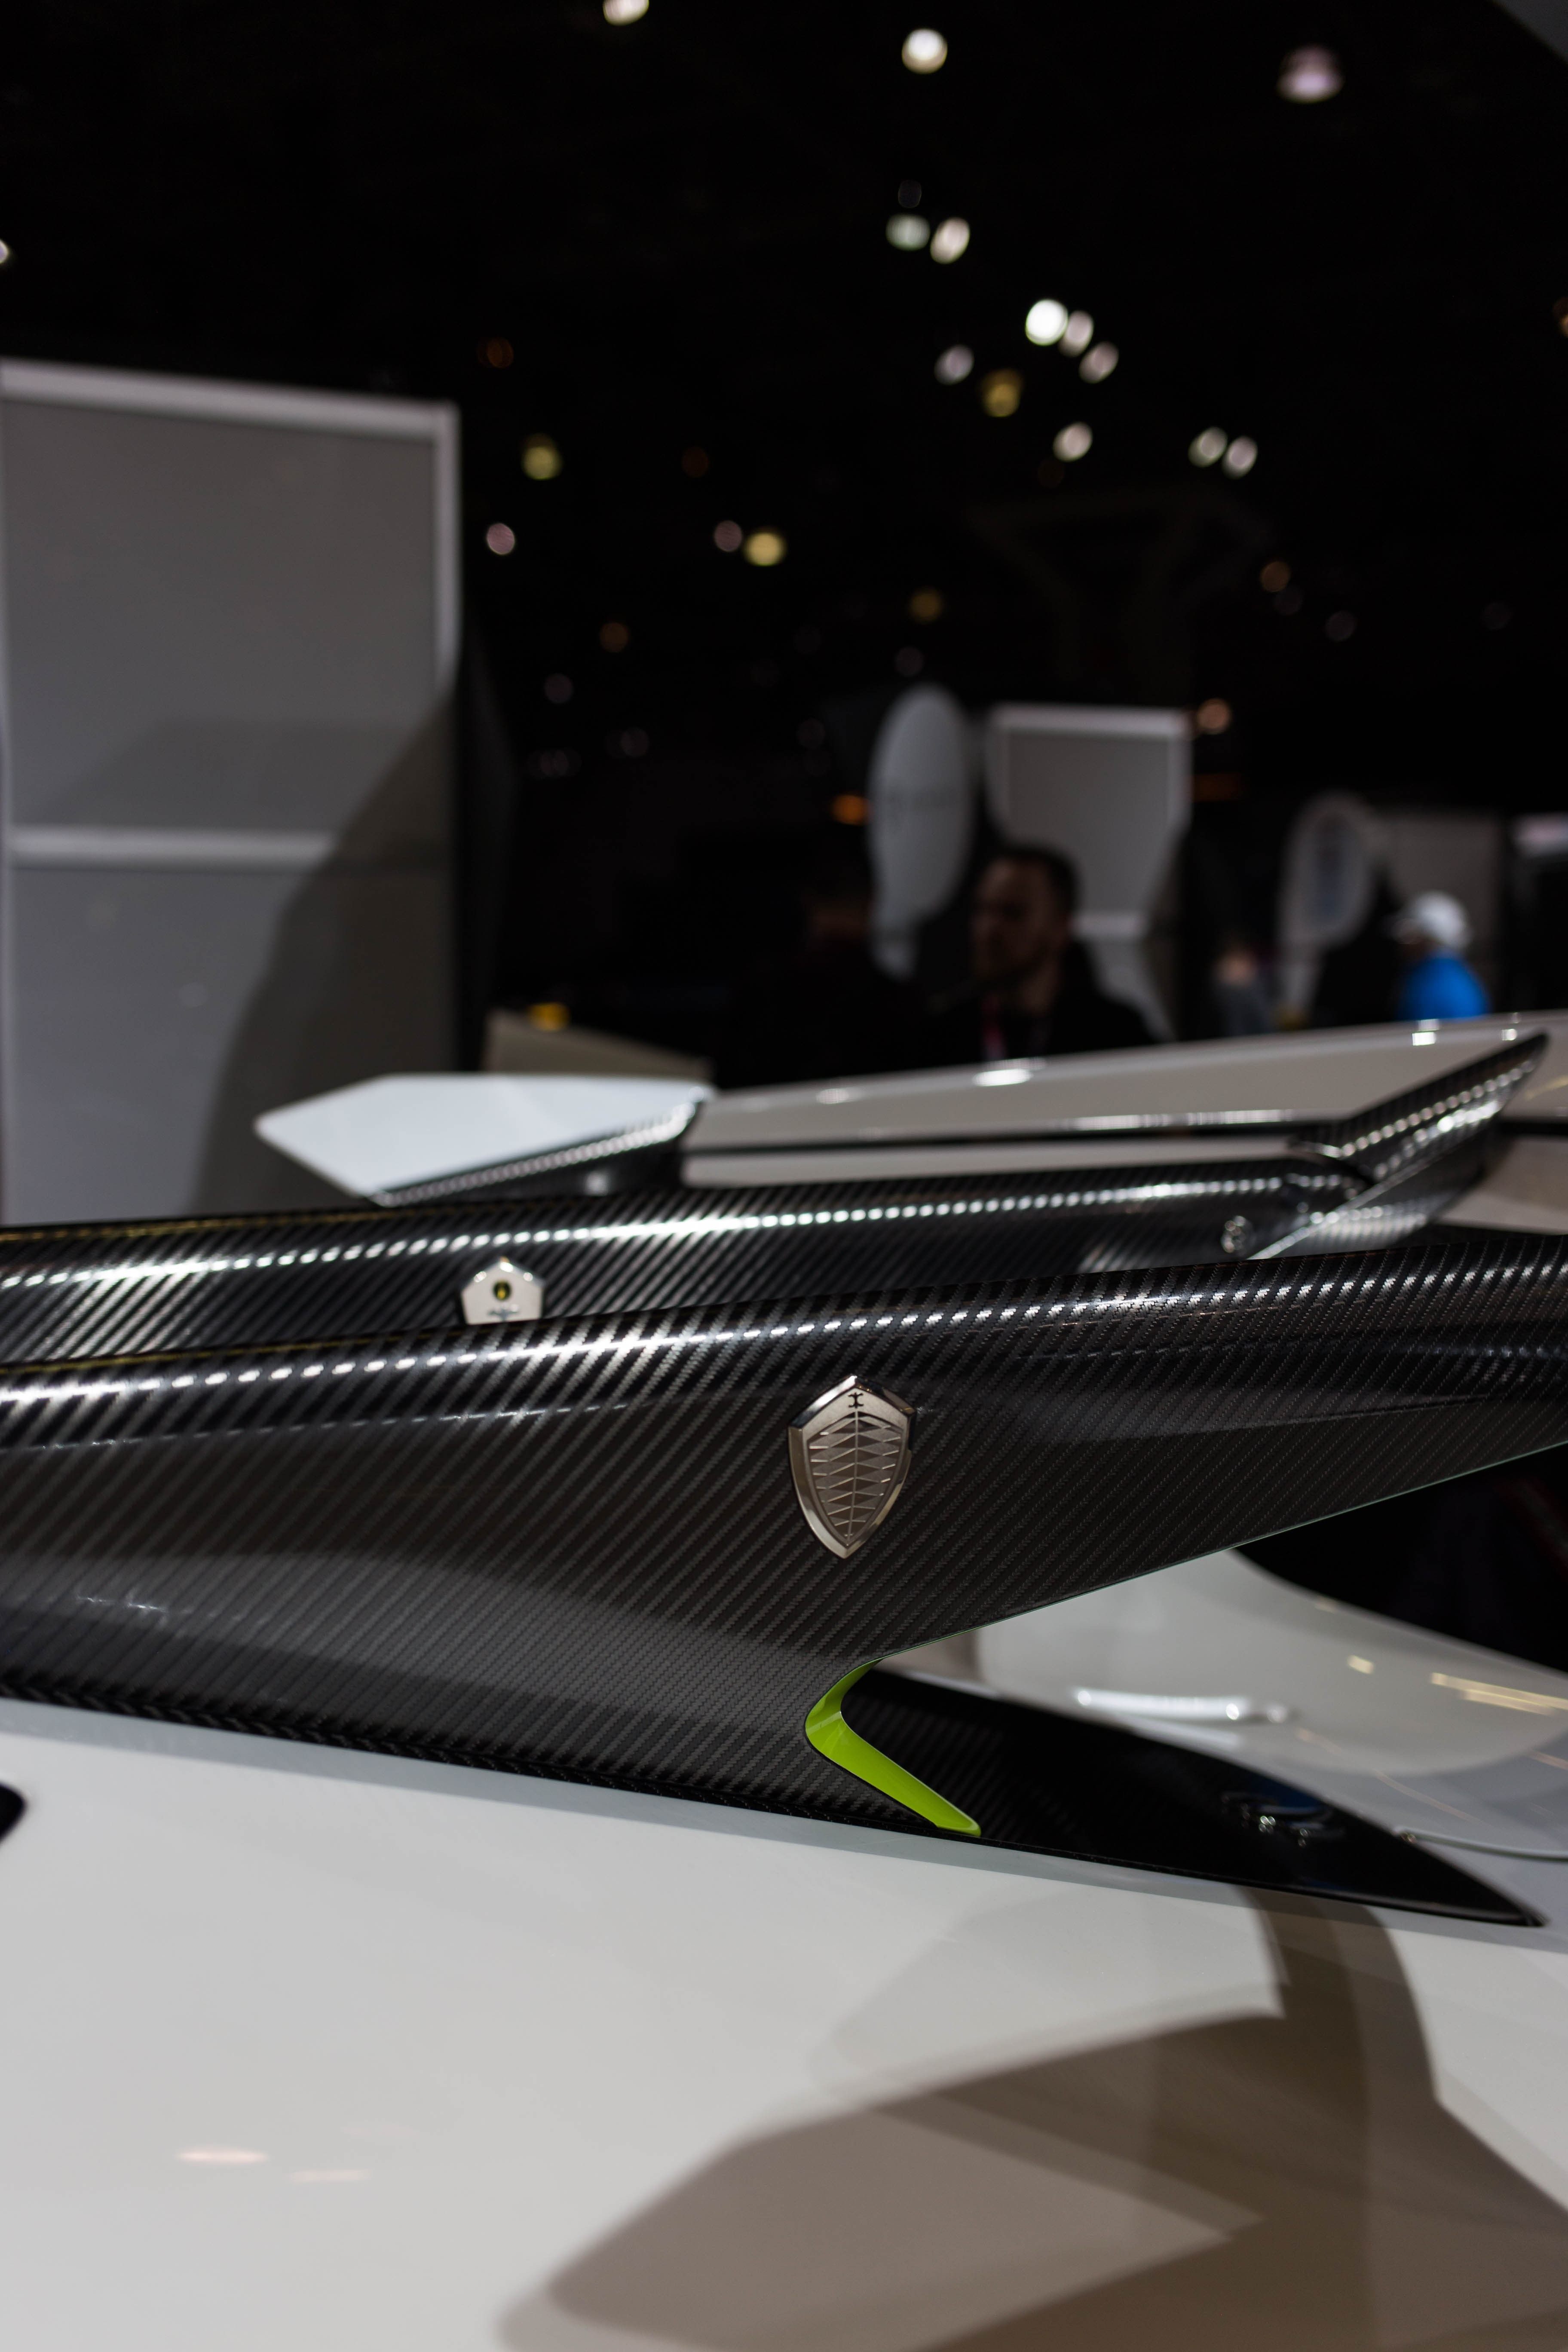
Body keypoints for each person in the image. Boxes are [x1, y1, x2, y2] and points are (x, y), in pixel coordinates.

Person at [716, 833, 924, 1087]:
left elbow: (728, 1082)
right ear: (873, 899)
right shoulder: (899, 1004)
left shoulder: (761, 993)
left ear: (807, 900)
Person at [922, 845, 1154, 1065]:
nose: (988, 930)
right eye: (983, 910)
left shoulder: (1114, 1036)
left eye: (1012, 913)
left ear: (1060, 927)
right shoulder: (936, 1040)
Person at [1391, 891, 1489, 1022]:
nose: (1404, 944)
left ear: (1425, 938)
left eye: (1410, 936)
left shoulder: (1431, 983)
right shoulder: (1457, 976)